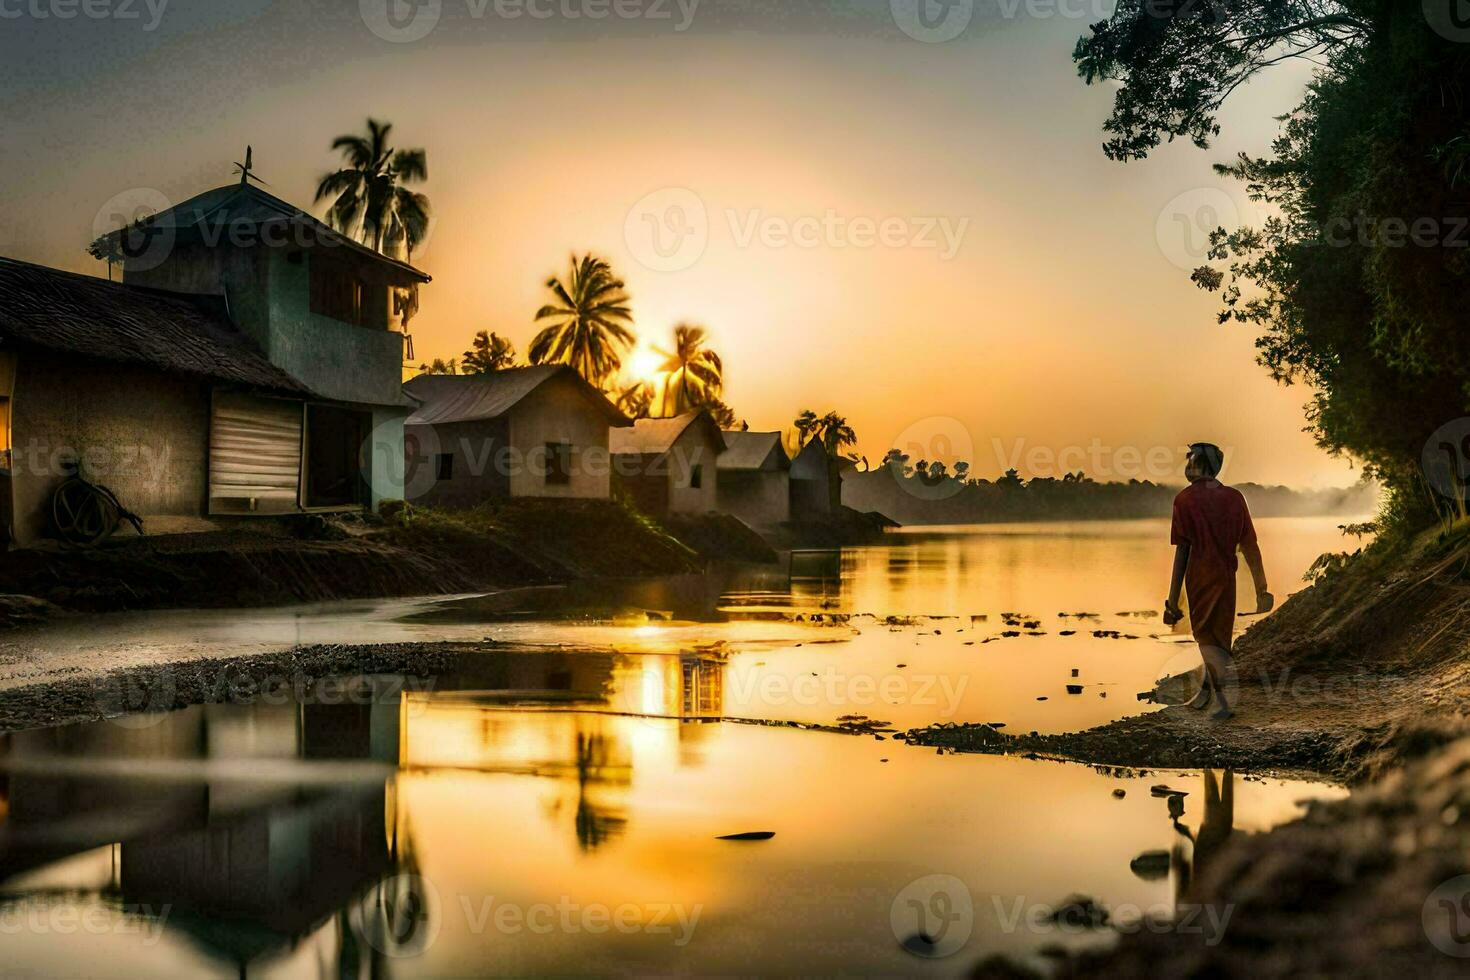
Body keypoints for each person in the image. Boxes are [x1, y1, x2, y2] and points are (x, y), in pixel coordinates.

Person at [1162, 443, 1273, 719]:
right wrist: (1262, 588)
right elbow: (1250, 546)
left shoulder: (1184, 500)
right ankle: (1206, 691)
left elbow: (1182, 552)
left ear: (1201, 465)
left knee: (1207, 638)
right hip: (1226, 577)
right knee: (1219, 638)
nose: (1186, 467)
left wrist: (1172, 599)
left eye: (1190, 461)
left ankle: (1224, 703)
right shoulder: (1235, 498)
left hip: (1199, 578)